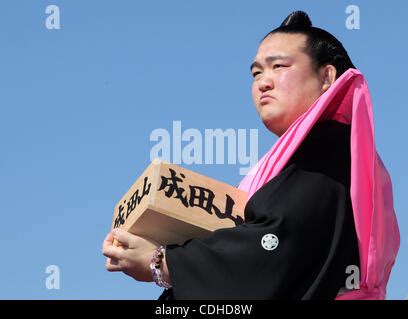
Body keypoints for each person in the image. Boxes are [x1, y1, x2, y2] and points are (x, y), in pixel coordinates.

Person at [102, 11, 400, 300]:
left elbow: (275, 245)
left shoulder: (329, 145)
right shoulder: (320, 153)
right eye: (256, 72)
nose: (263, 82)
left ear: (326, 77)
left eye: (279, 67)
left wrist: (163, 263)